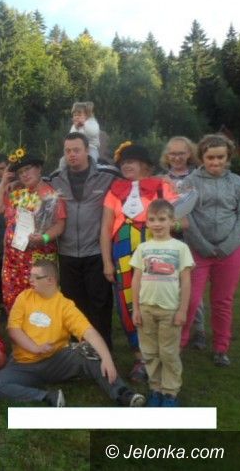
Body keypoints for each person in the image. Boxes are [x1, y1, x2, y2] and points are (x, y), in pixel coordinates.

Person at [0, 260, 145, 407]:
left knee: (90, 353)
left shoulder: (65, 306)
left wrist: (107, 359)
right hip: (23, 364)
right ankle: (47, 397)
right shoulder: (24, 297)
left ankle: (123, 393)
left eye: (35, 277)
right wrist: (35, 348)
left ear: (50, 280)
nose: (30, 280)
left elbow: (89, 332)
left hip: (57, 360)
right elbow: (13, 330)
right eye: (30, 276)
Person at [100, 142, 178, 381]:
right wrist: (107, 262)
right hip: (123, 253)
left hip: (156, 251)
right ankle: (140, 358)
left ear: (145, 165)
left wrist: (163, 226)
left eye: (131, 161)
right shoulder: (115, 191)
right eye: (123, 162)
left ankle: (161, 354)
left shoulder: (163, 186)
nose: (126, 166)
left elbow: (181, 220)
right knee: (128, 304)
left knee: (157, 301)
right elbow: (105, 228)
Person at [180, 134, 240, 367]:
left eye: (221, 157)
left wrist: (229, 245)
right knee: (190, 300)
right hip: (197, 250)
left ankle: (221, 347)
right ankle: (179, 343)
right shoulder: (189, 182)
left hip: (230, 252)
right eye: (211, 157)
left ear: (228, 157)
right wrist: (203, 245)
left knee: (222, 301)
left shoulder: (238, 183)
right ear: (202, 157)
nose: (216, 162)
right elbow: (185, 214)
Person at [48, 133, 119, 348]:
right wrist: (13, 183)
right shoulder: (55, 179)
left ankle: (103, 350)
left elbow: (134, 180)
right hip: (67, 253)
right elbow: (34, 186)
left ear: (87, 150)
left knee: (100, 305)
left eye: (76, 150)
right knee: (74, 305)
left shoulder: (107, 175)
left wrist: (162, 179)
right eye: (68, 151)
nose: (72, 154)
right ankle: (78, 349)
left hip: (96, 251)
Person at [130, 200, 193, 407]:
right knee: (149, 352)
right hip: (146, 309)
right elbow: (136, 279)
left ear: (172, 221)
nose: (157, 224)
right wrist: (136, 309)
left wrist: (182, 310)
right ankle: (156, 389)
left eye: (162, 219)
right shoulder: (143, 248)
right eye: (152, 219)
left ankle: (170, 393)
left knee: (168, 353)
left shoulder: (180, 248)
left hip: (170, 310)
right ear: (147, 222)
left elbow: (186, 281)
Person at [0, 149, 66, 311]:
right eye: (20, 172)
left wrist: (44, 238)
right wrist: (3, 182)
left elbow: (60, 225)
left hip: (38, 258)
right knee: (15, 301)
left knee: (40, 303)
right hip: (13, 260)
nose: (24, 174)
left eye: (28, 169)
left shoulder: (51, 195)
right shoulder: (16, 192)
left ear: (38, 169)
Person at [158, 136, 206, 349]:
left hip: (192, 238)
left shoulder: (198, 177)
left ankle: (199, 328)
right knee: (168, 283)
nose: (176, 157)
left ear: (190, 154)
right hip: (167, 237)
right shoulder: (159, 178)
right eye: (173, 153)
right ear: (166, 155)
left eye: (181, 153)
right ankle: (171, 325)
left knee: (192, 286)